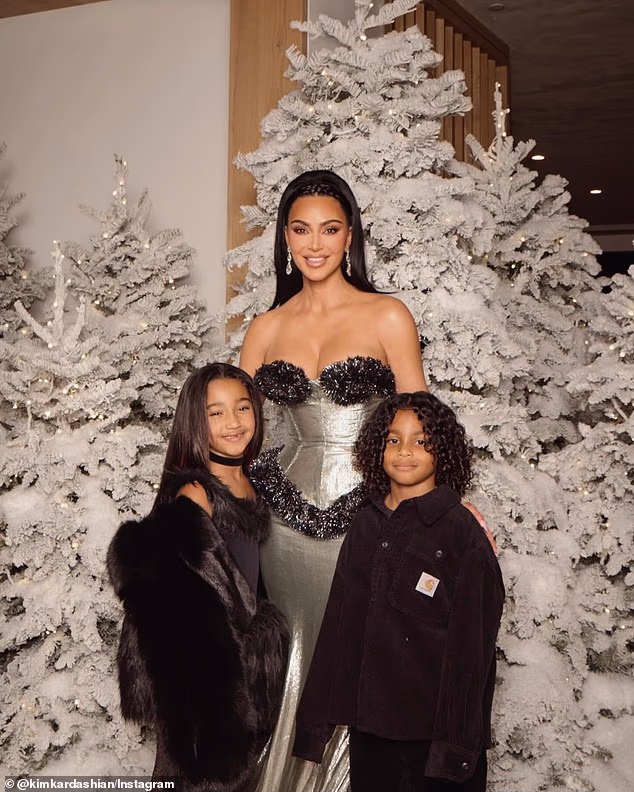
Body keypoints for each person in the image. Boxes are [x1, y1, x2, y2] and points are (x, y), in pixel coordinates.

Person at [239, 169, 428, 792]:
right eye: (300, 229)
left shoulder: (388, 316)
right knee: (289, 652)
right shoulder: (264, 329)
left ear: (349, 237)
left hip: (370, 514)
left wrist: (425, 519)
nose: (314, 243)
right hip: (282, 527)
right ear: (284, 239)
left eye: (329, 229)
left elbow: (420, 429)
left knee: (363, 648)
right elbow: (244, 433)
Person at [293, 391, 505, 792]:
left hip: (436, 741)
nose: (405, 451)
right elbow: (339, 624)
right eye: (394, 439)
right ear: (378, 447)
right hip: (371, 733)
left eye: (422, 441)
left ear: (442, 451)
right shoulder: (364, 526)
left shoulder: (463, 535)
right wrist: (314, 725)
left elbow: (472, 654)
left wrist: (457, 749)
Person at [107, 363, 289, 791]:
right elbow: (177, 606)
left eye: (243, 408)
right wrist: (213, 701)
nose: (234, 422)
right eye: (216, 412)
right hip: (206, 683)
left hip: (248, 666)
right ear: (194, 421)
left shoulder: (253, 482)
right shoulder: (197, 493)